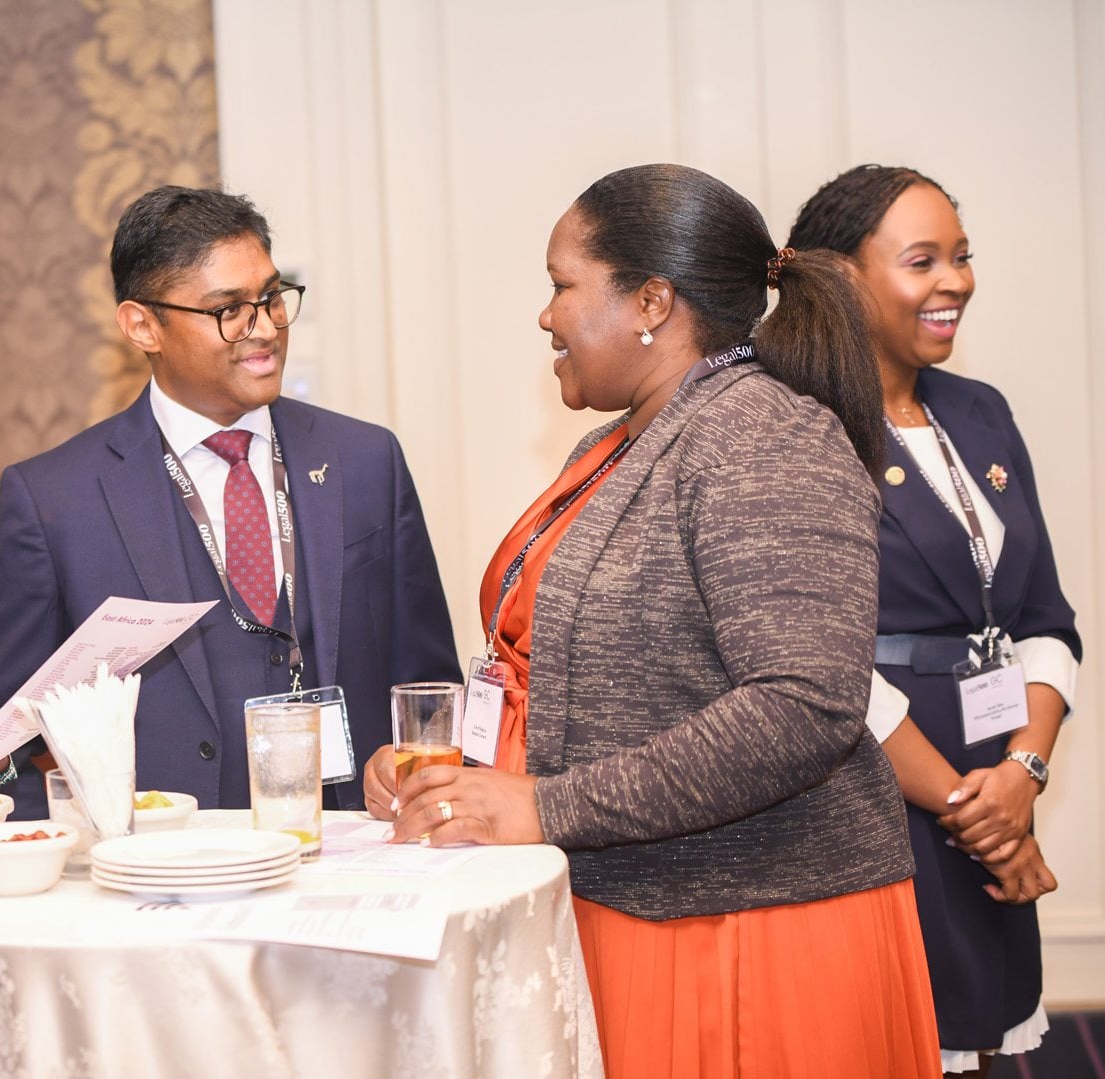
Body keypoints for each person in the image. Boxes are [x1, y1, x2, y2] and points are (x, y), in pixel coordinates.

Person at [364, 164, 940, 1076]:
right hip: (635, 896)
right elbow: (592, 668)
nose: (545, 315)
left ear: (652, 302)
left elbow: (805, 705)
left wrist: (544, 803)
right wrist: (463, 777)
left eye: (562, 285)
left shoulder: (761, 433)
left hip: (744, 929)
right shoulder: (619, 439)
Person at [0, 185, 461, 817]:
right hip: (161, 862)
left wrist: (415, 780)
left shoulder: (366, 461)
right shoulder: (55, 500)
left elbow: (428, 687)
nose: (265, 330)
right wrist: (68, 845)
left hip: (353, 844)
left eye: (271, 298)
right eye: (228, 310)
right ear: (143, 326)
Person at [788, 165, 1081, 1076]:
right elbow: (821, 659)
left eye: (961, 255)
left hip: (995, 777)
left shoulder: (980, 410)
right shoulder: (799, 424)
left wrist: (1022, 775)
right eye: (923, 261)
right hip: (874, 796)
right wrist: (976, 812)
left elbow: (1044, 620)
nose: (957, 280)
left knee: (978, 1039)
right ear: (842, 277)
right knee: (890, 1043)